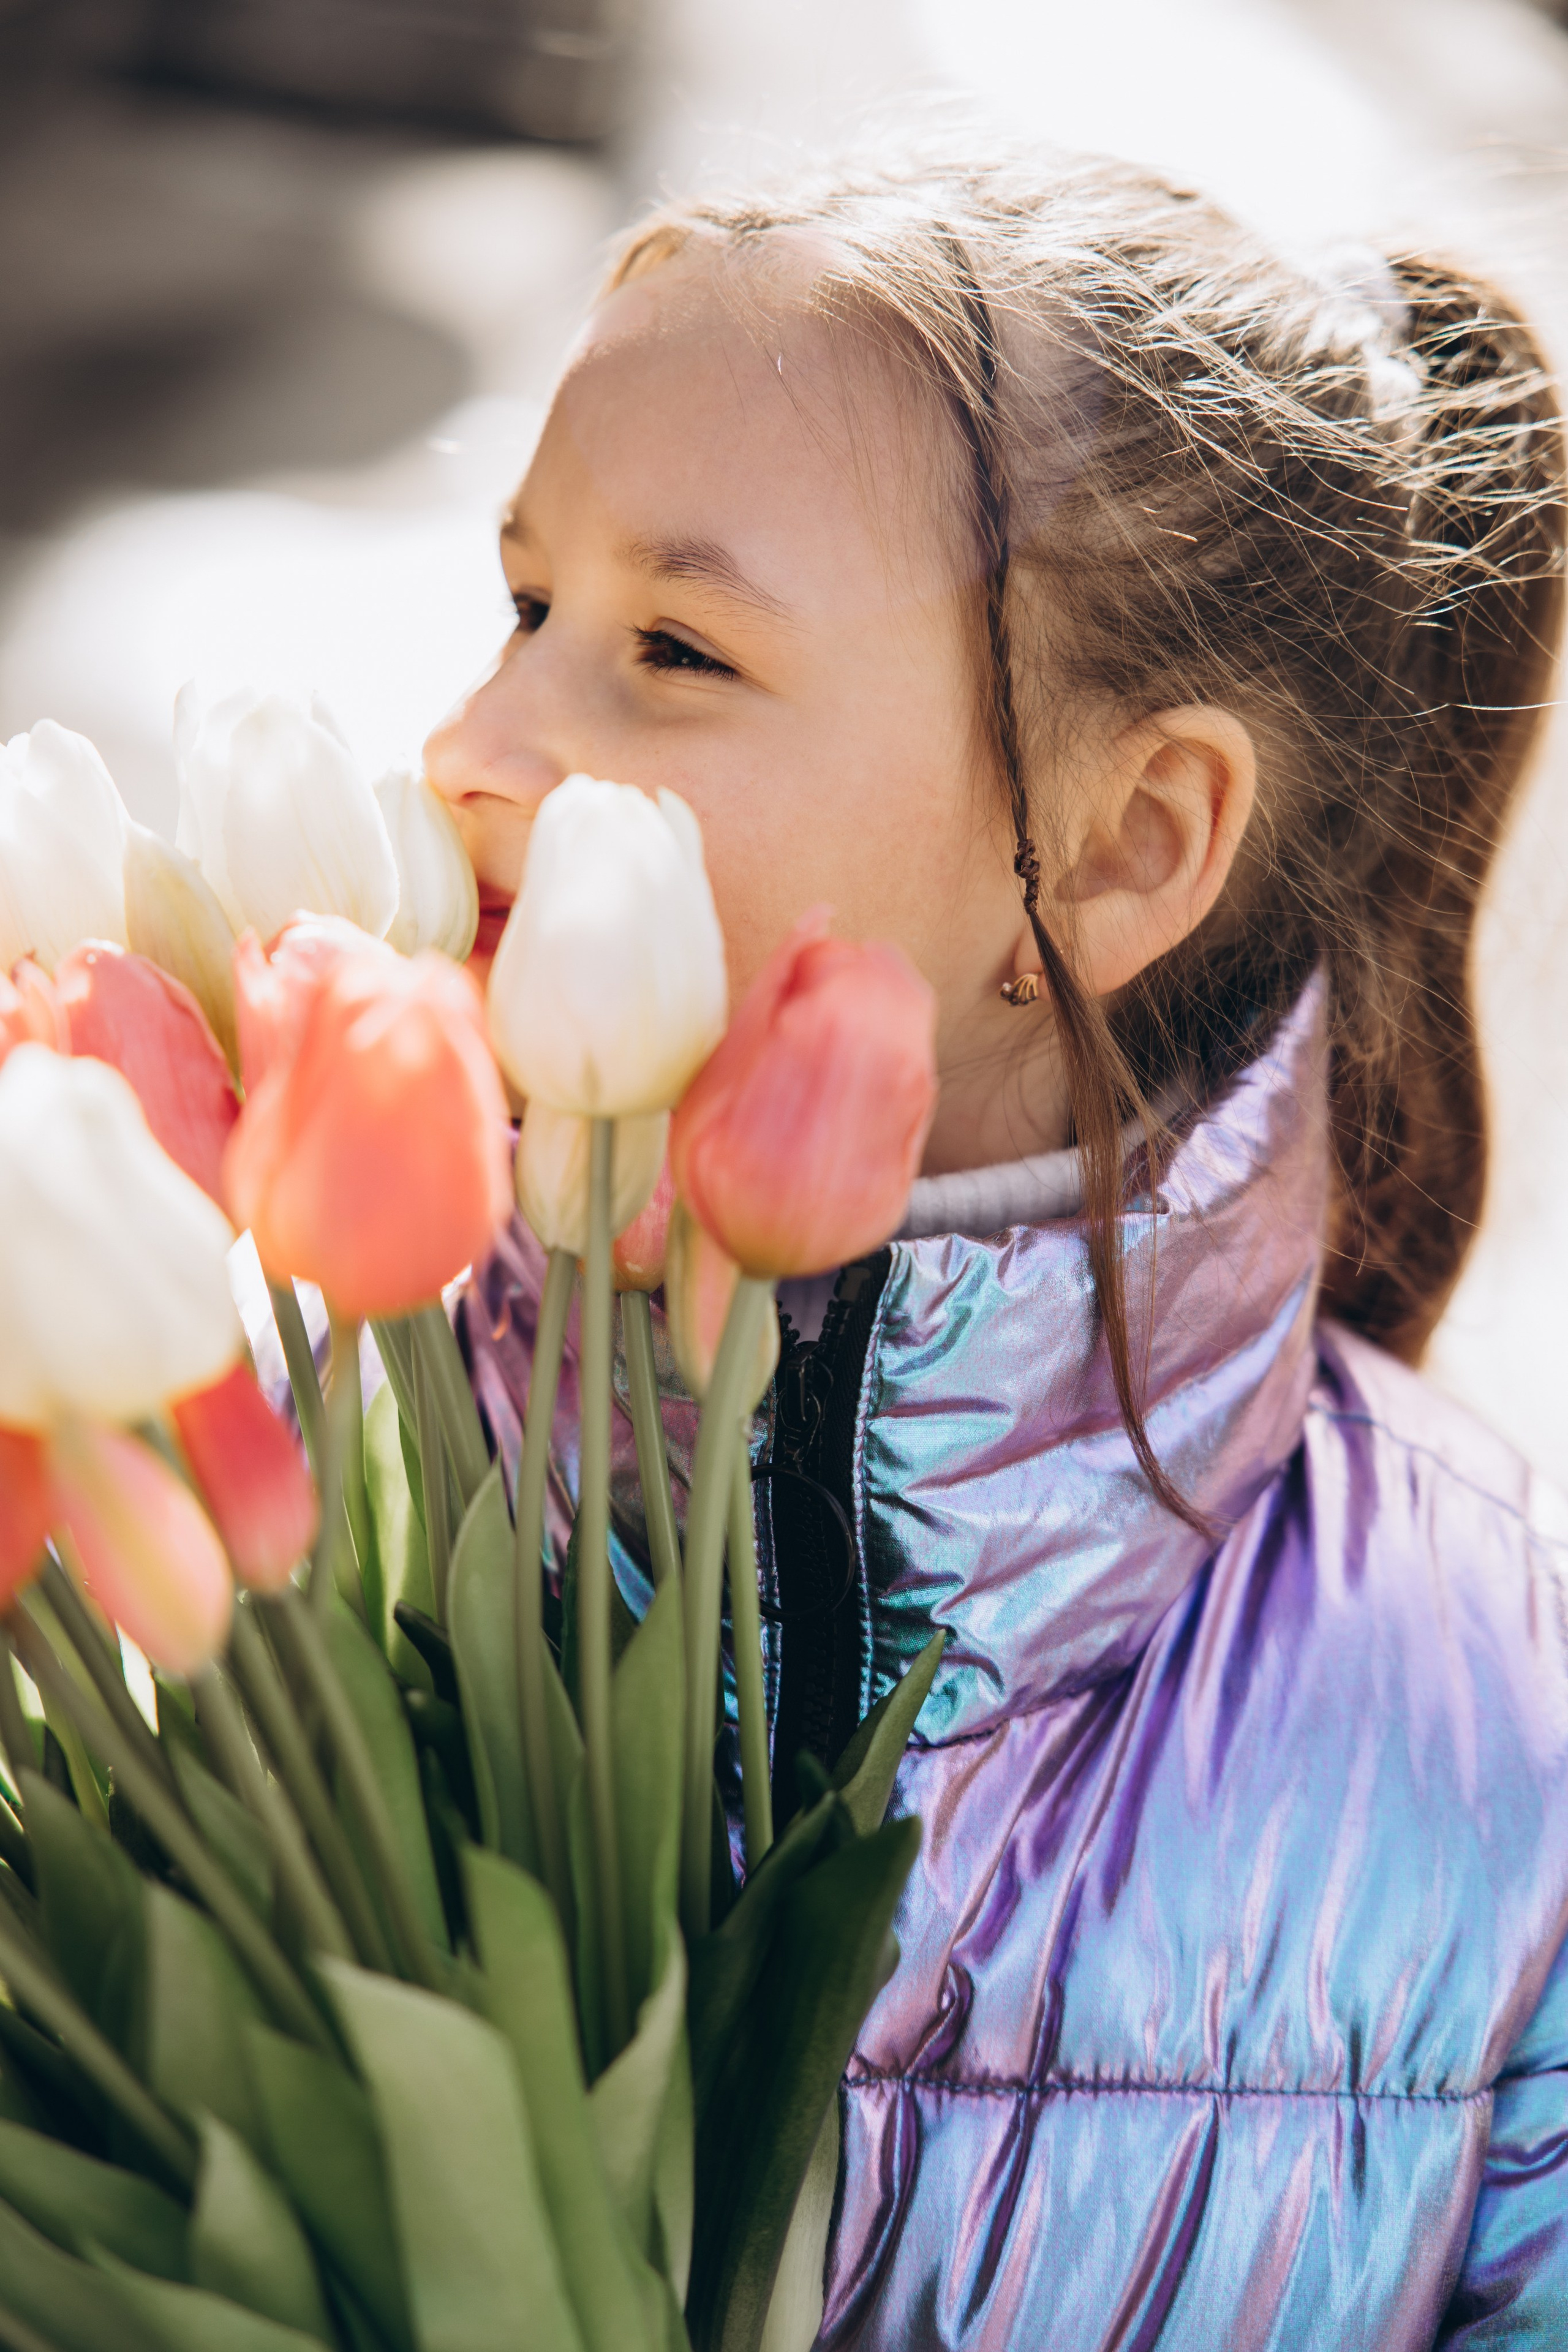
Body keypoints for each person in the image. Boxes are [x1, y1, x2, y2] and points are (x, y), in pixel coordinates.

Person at [423, 144, 1568, 2349]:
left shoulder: (1492, 1717)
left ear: (1131, 846)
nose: (478, 745)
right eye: (521, 604)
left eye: (672, 646)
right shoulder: (350, 1487)